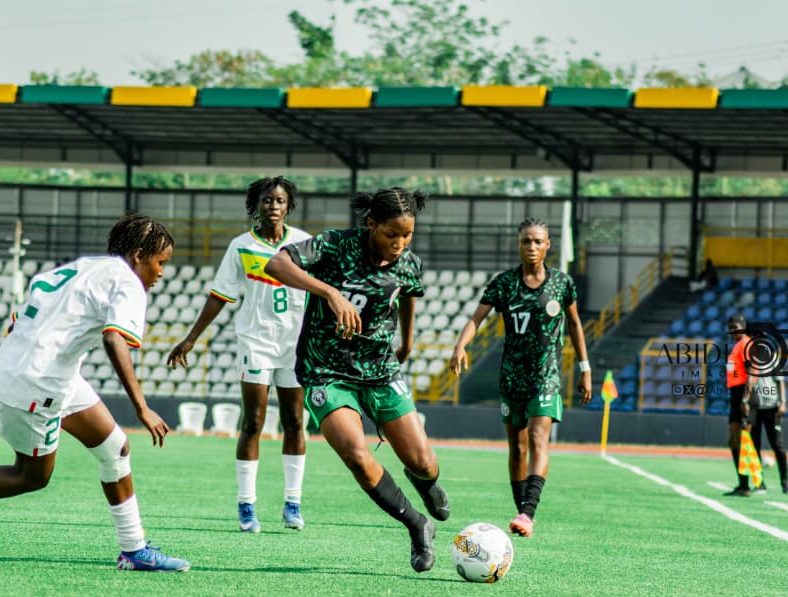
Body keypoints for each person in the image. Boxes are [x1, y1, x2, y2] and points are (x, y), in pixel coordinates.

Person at [0, 213, 190, 571]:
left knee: (115, 447)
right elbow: (114, 339)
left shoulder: (84, 267)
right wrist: (141, 407)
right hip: (40, 380)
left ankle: (134, 549)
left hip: (44, 370)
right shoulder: (128, 281)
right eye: (161, 262)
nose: (161, 272)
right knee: (32, 476)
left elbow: (19, 321)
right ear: (139, 255)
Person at [263, 187, 449, 573]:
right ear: (371, 224)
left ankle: (426, 482)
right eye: (391, 234)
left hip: (380, 368)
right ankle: (417, 525)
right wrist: (329, 292)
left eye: (407, 235)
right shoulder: (335, 245)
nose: (399, 243)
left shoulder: (409, 263)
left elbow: (408, 293)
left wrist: (408, 341)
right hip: (325, 370)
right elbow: (276, 265)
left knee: (424, 462)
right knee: (358, 457)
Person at [167, 177, 310, 533]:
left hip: (295, 345)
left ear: (288, 206)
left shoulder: (304, 243)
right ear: (256, 205)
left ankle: (293, 503)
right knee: (253, 421)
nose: (273, 206)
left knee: (295, 422)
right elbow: (220, 295)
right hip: (256, 341)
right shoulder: (241, 246)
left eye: (279, 200)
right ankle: (247, 505)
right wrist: (191, 338)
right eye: (267, 200)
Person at [449, 218, 591, 537]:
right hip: (512, 377)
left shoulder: (562, 283)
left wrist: (585, 369)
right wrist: (460, 345)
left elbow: (574, 324)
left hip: (546, 375)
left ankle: (528, 513)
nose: (532, 246)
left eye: (538, 241)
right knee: (517, 448)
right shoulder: (504, 283)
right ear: (518, 244)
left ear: (548, 245)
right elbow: (476, 318)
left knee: (539, 437)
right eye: (526, 241)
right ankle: (521, 510)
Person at [723, 313, 754, 496]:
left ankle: (749, 483)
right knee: (733, 441)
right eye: (730, 328)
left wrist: (745, 399)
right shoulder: (737, 345)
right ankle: (743, 483)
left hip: (743, 395)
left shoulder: (746, 344)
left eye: (735, 327)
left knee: (743, 441)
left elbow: (752, 372)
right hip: (735, 394)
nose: (732, 331)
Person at [744, 371, 788, 494]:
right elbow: (748, 381)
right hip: (755, 408)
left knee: (778, 446)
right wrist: (745, 400)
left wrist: (783, 402)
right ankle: (759, 483)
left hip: (772, 407)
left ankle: (785, 483)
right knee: (754, 447)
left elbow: (780, 382)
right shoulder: (751, 362)